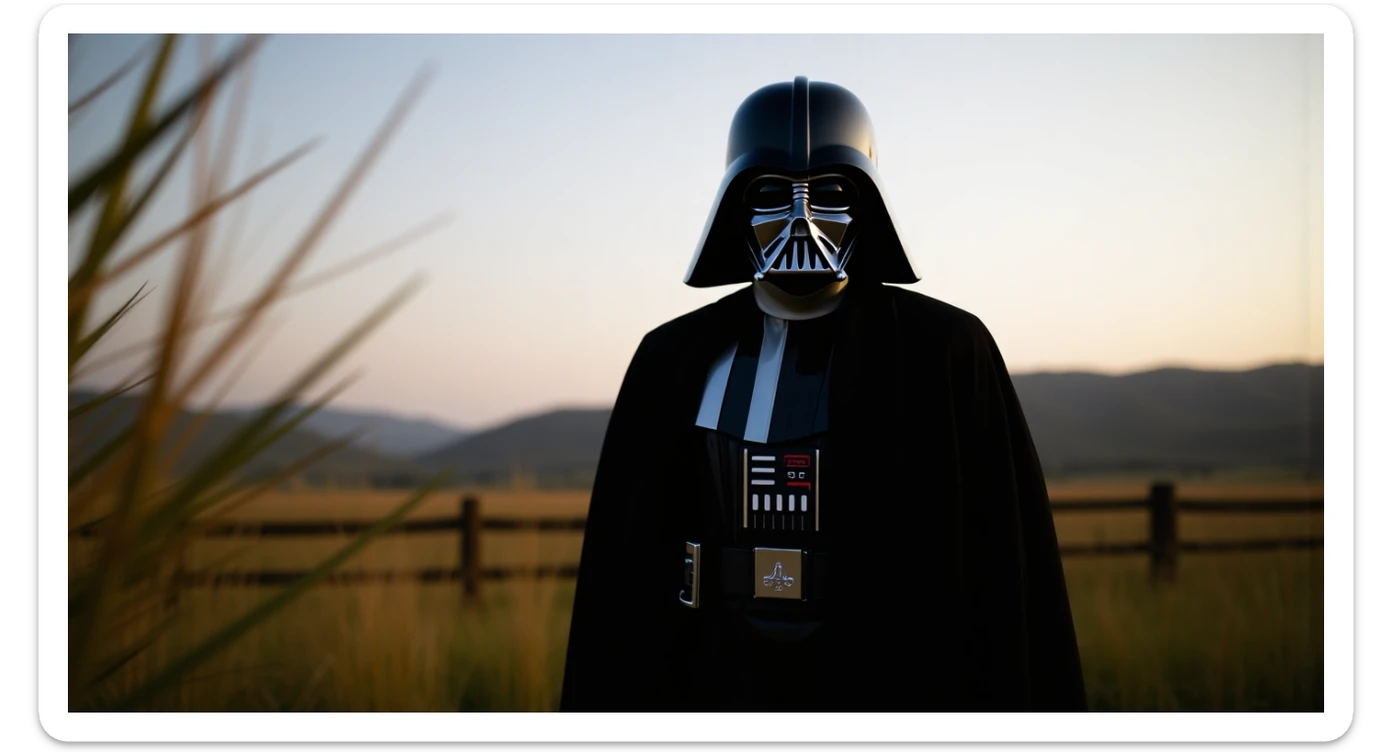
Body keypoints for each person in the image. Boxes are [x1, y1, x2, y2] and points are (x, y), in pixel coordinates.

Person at [559, 76, 1086, 712]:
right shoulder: (671, 360)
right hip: (707, 675)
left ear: (868, 201)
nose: (802, 219)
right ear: (735, 204)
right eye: (773, 194)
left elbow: (1003, 566)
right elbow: (628, 563)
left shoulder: (944, 352)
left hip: (887, 678)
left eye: (831, 192)